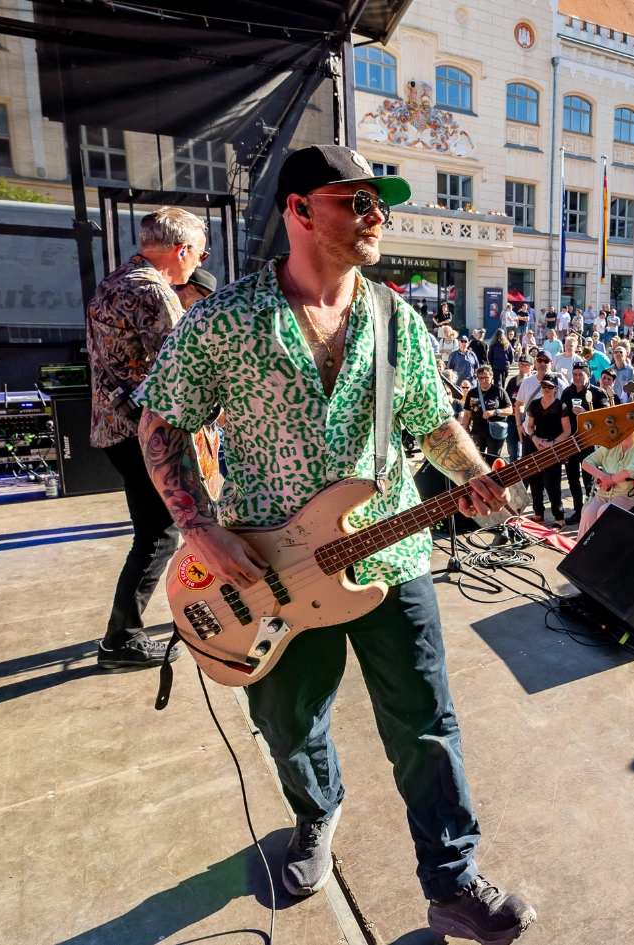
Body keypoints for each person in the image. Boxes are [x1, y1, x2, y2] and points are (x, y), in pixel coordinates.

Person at [134, 147, 533, 939]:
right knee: (289, 722)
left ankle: (452, 878)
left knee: (426, 723)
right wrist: (201, 526)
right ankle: (317, 811)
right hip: (264, 569)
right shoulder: (226, 320)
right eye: (357, 200)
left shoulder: (398, 319)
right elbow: (161, 423)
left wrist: (479, 474)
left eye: (378, 203)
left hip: (389, 555)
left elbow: (434, 421)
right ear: (299, 209)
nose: (376, 214)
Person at [87, 206, 206, 670]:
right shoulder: (155, 292)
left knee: (153, 531)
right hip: (140, 432)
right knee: (158, 535)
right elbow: (185, 368)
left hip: (112, 427)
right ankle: (121, 641)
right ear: (181, 250)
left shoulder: (114, 281)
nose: (198, 262)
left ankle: (122, 636)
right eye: (198, 253)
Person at [559, 364, 610, 524]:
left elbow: (607, 418)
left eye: (581, 374)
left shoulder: (598, 392)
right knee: (572, 479)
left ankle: (591, 511)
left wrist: (586, 414)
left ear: (588, 375)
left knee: (591, 480)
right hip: (572, 442)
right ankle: (578, 511)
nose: (577, 378)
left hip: (591, 443)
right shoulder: (567, 392)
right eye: (574, 374)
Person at [578, 424, 634, 535]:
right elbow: (586, 463)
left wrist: (610, 480)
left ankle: (605, 548)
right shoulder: (611, 445)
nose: (625, 431)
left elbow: (633, 472)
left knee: (606, 511)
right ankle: (582, 550)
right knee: (588, 512)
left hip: (628, 495)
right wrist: (603, 476)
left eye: (629, 428)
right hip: (604, 493)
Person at [522, 374, 571, 525]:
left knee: (552, 484)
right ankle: (538, 514)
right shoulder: (535, 404)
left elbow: (567, 431)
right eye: (544, 386)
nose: (547, 389)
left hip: (552, 448)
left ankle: (559, 517)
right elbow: (529, 426)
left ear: (556, 388)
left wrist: (553, 443)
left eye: (550, 386)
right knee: (535, 481)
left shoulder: (561, 406)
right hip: (535, 445)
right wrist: (535, 439)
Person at [459, 365, 512, 460]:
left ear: (492, 377)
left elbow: (510, 410)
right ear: (477, 379)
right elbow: (467, 414)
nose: (484, 380)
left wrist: (495, 412)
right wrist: (463, 432)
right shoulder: (472, 393)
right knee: (478, 460)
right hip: (477, 432)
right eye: (481, 378)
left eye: (486, 377)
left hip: (495, 433)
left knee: (493, 460)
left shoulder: (498, 391)